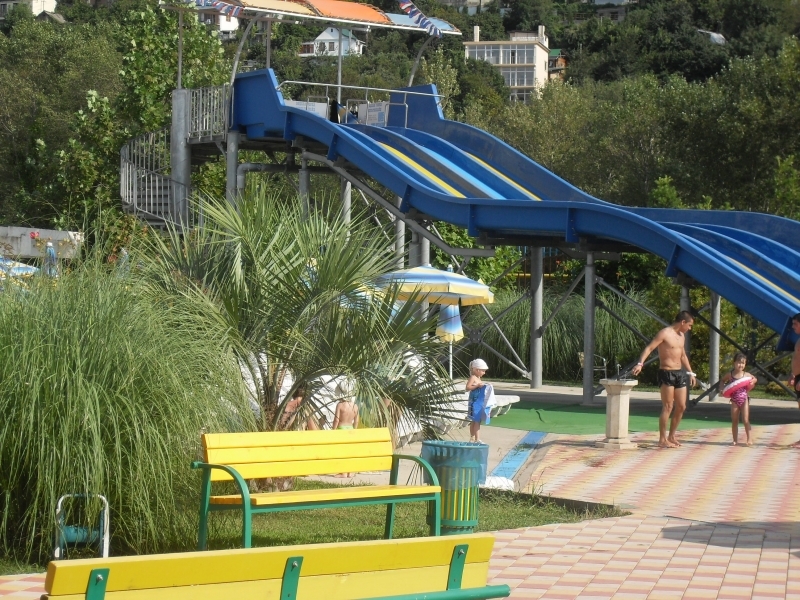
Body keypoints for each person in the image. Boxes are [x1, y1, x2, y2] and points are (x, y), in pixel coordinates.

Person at [631, 311, 697, 448]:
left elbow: (683, 355)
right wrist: (640, 364)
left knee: (682, 406)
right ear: (683, 322)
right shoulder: (664, 333)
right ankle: (662, 439)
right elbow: (649, 348)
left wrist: (691, 372)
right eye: (689, 325)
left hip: (679, 373)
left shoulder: (682, 336)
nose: (690, 328)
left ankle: (671, 436)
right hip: (666, 373)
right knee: (668, 406)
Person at [721, 352, 755, 446]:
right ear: (734, 363)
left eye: (743, 363)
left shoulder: (746, 374)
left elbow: (755, 379)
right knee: (734, 420)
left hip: (744, 399)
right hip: (734, 400)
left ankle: (749, 439)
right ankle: (735, 440)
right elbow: (722, 380)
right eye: (739, 362)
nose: (741, 365)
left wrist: (752, 382)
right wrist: (722, 389)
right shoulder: (730, 374)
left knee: (745, 420)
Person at [332, 380, 359, 477]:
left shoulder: (340, 405)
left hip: (341, 429)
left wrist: (333, 430)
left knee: (342, 452)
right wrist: (354, 430)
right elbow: (356, 421)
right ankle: (350, 472)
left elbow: (336, 419)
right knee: (349, 451)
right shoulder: (355, 406)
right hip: (350, 429)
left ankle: (343, 472)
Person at [466, 359, 489, 443]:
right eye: (483, 371)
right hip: (474, 402)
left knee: (475, 421)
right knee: (477, 421)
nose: (484, 373)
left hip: (478, 402)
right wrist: (477, 386)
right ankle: (477, 439)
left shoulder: (478, 378)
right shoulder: (473, 377)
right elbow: (467, 388)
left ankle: (472, 438)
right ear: (477, 370)